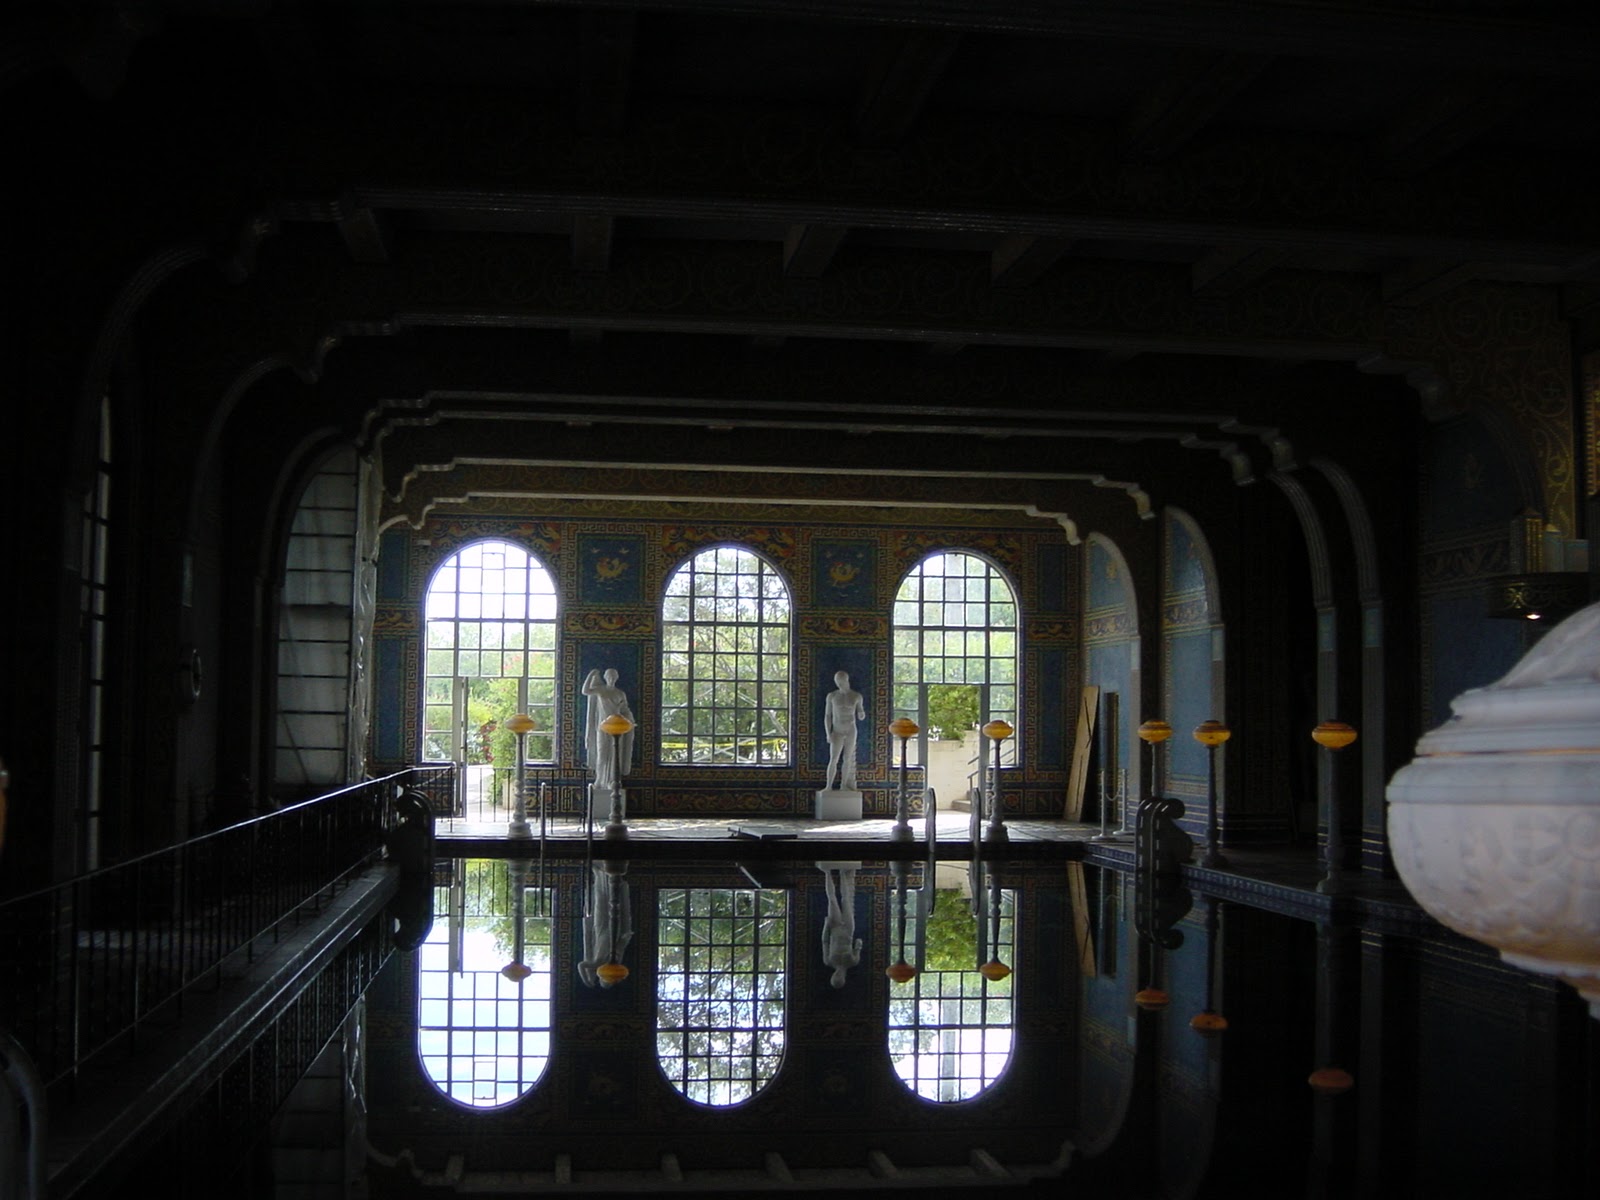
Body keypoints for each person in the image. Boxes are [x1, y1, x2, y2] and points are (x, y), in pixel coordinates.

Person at [577, 863, 633, 988]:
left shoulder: (597, 963)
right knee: (608, 903)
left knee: (600, 902)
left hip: (601, 929)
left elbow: (581, 965)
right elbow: (621, 945)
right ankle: (607, 872)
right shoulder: (614, 963)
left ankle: (599, 874)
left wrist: (587, 980)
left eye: (605, 978)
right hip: (614, 930)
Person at [582, 667, 634, 791]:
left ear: (616, 678)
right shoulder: (601, 690)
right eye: (609, 677)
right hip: (603, 727)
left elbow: (625, 709)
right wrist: (591, 675)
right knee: (602, 753)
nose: (611, 679)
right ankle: (600, 780)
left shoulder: (620, 693)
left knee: (616, 754)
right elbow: (585, 691)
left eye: (613, 677)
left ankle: (613, 780)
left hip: (617, 727)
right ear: (605, 678)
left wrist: (630, 721)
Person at [819, 862, 862, 988]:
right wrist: (858, 946)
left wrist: (826, 926)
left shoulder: (828, 961)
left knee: (832, 900)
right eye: (839, 977)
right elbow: (858, 942)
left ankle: (827, 873)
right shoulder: (853, 961)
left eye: (835, 977)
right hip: (848, 930)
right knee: (845, 900)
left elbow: (825, 941)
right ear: (843, 978)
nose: (837, 975)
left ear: (832, 976)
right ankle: (842, 873)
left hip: (835, 928)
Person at [823, 670, 865, 790]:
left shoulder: (856, 696)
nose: (839, 684)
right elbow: (827, 716)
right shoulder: (832, 696)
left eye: (840, 682)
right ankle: (828, 786)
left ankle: (844, 785)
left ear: (846, 680)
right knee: (833, 759)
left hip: (850, 730)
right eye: (837, 682)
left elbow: (861, 712)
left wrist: (861, 714)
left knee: (847, 759)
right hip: (837, 730)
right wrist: (828, 733)